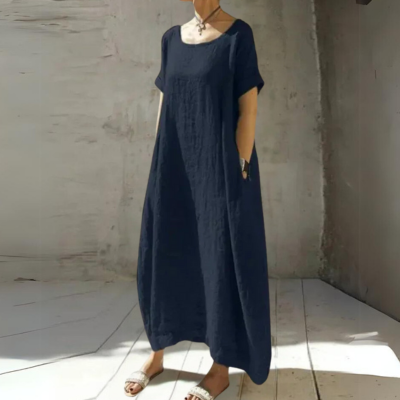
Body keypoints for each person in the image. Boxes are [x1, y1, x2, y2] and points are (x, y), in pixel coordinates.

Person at [124, 1, 272, 399]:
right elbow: (166, 104)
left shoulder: (238, 36)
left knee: (218, 257)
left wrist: (241, 165)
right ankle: (157, 355)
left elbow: (248, 108)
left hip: (220, 167)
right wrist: (159, 162)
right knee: (163, 254)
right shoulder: (172, 39)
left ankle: (220, 368)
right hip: (173, 166)